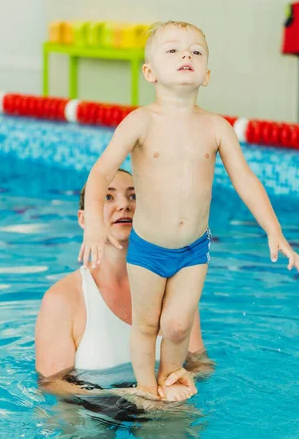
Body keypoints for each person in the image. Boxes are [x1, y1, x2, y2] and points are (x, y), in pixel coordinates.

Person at [79, 20, 299, 402]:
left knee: (179, 324)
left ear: (207, 74)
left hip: (193, 249)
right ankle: (146, 389)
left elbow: (245, 179)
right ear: (149, 72)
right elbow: (101, 171)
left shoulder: (216, 127)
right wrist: (93, 229)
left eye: (195, 51)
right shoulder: (140, 122)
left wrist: (273, 229)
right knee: (147, 324)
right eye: (172, 50)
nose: (186, 55)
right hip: (148, 248)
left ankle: (170, 378)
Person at [35, 168, 209, 402]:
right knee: (90, 437)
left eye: (133, 196)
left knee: (174, 431)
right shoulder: (63, 299)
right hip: (90, 409)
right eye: (108, 197)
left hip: (163, 405)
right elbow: (52, 384)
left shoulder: (175, 289)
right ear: (84, 219)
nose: (124, 205)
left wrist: (176, 384)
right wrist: (124, 396)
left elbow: (200, 365)